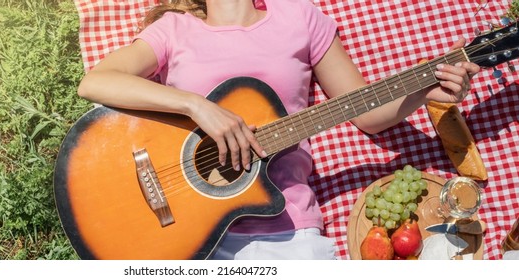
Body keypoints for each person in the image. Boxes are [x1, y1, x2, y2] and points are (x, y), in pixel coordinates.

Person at [76, 0, 480, 259]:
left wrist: (430, 85)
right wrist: (195, 105)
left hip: (287, 230)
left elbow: (367, 113)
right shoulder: (173, 30)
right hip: (179, 238)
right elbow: (97, 81)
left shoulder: (300, 18)